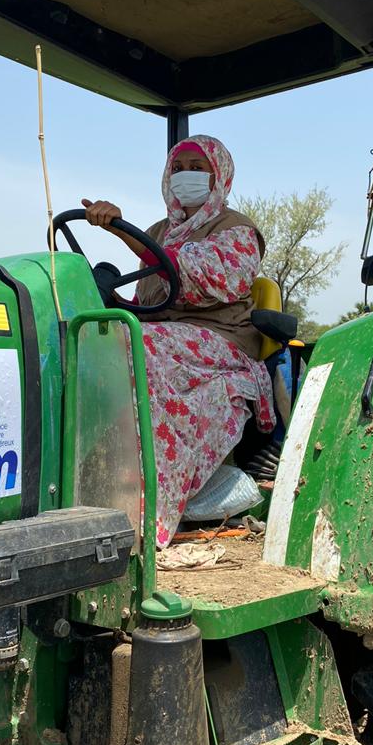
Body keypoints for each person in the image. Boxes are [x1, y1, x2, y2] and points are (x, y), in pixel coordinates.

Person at [82, 134, 275, 548]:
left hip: (221, 342)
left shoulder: (237, 230)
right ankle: (89, 478)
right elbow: (151, 297)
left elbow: (199, 277)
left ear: (218, 175)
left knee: (140, 347)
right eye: (178, 168)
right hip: (164, 333)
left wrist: (121, 231)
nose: (185, 175)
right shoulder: (155, 231)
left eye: (196, 168)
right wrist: (116, 302)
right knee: (92, 340)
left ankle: (150, 510)